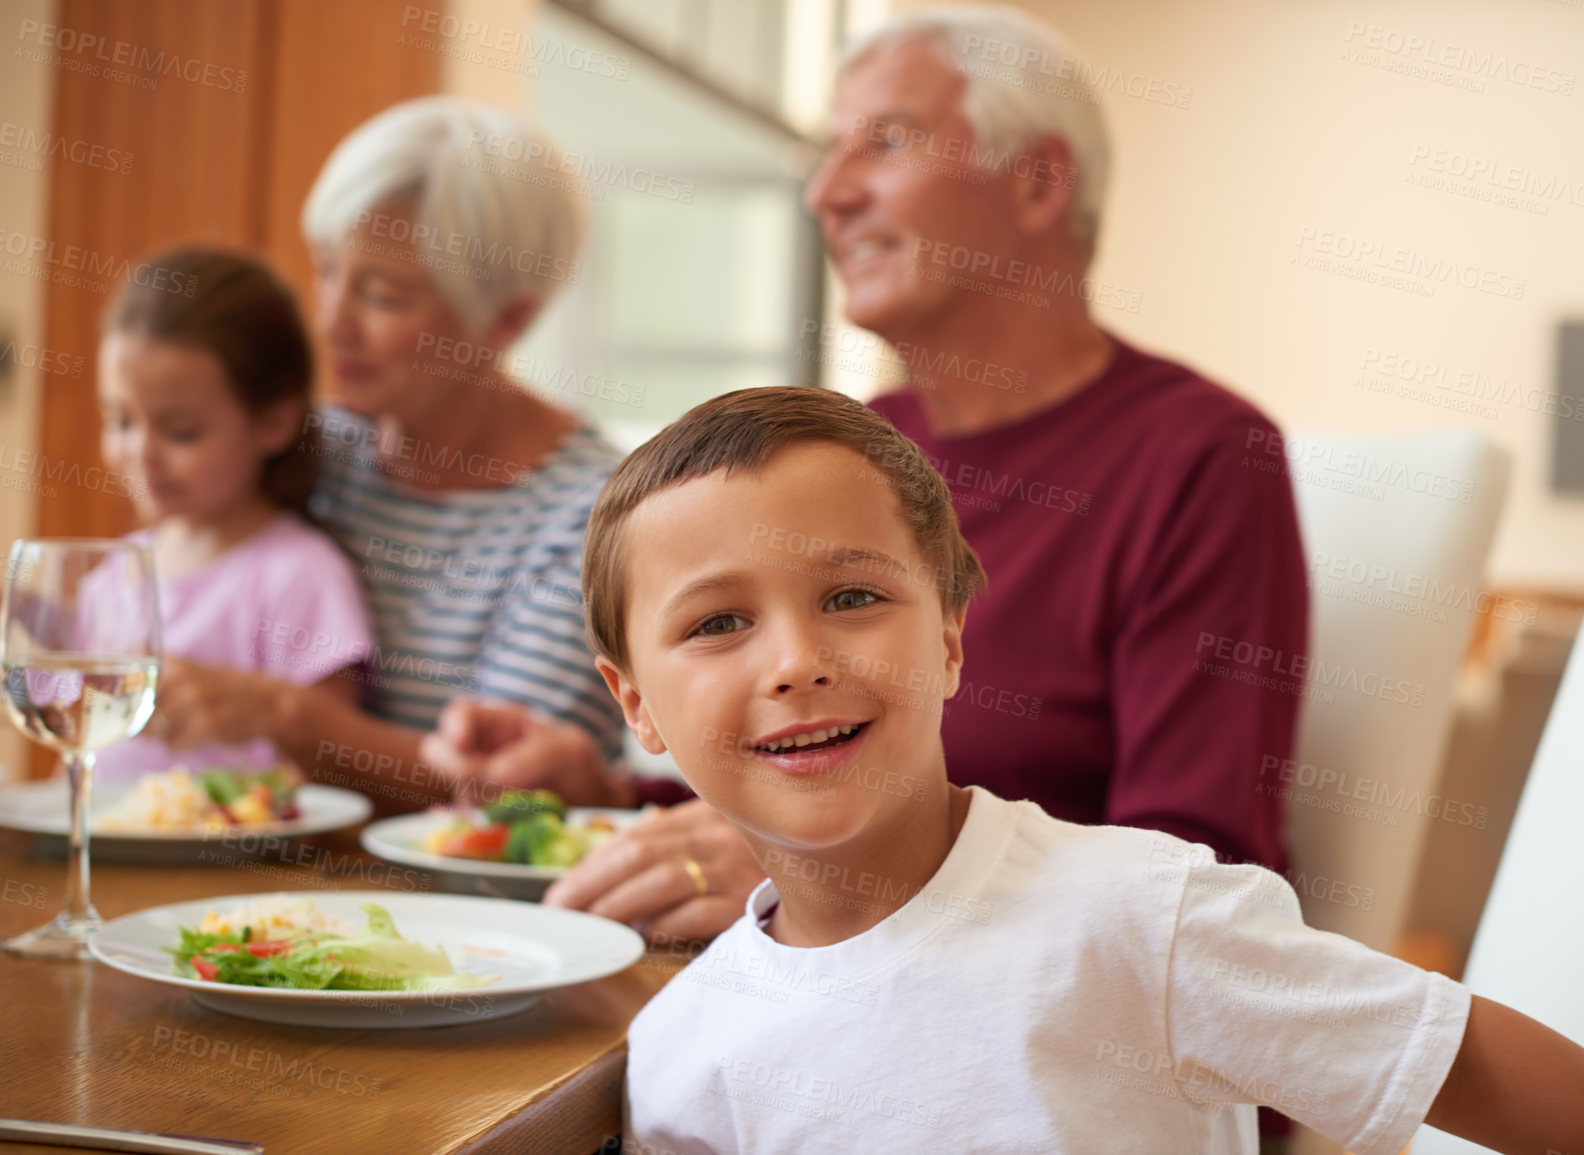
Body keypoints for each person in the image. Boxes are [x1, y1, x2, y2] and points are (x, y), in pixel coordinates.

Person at [587, 386, 1584, 1155]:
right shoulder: (682, 1050)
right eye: (719, 623)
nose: (797, 661)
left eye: (852, 598)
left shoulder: (1141, 914)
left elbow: (1453, 1058)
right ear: (635, 702)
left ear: (946, 637)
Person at [438, 5, 1307, 940]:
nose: (825, 193)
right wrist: (603, 788)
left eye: (884, 142)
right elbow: (820, 751)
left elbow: (1196, 865)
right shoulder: (861, 449)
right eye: (826, 152)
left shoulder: (1202, 456)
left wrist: (817, 862)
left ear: (1038, 182)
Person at [144, 98, 626, 814]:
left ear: (507, 318)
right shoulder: (304, 447)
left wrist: (287, 716)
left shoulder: (593, 515)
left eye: (381, 293)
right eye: (328, 270)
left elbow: (504, 788)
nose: (331, 321)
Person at [94, 246, 371, 785]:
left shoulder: (299, 575)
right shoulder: (114, 573)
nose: (141, 454)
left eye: (180, 432)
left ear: (273, 422)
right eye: (121, 421)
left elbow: (328, 771)